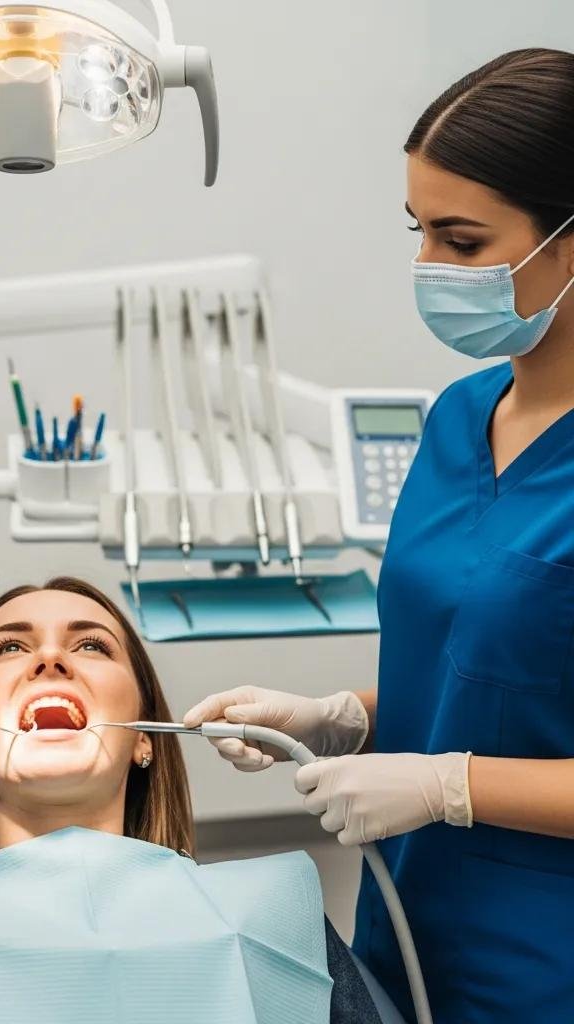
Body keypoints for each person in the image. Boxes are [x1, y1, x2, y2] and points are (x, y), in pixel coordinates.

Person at [186, 47, 574, 1023]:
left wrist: (449, 785)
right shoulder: (456, 418)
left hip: (544, 960)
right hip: (406, 924)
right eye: (418, 232)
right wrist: (341, 715)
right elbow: (482, 671)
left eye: (462, 239)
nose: (428, 269)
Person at [0, 578, 384, 1024]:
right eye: (9, 648)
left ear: (144, 738)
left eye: (92, 645)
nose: (50, 658)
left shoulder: (275, 917)